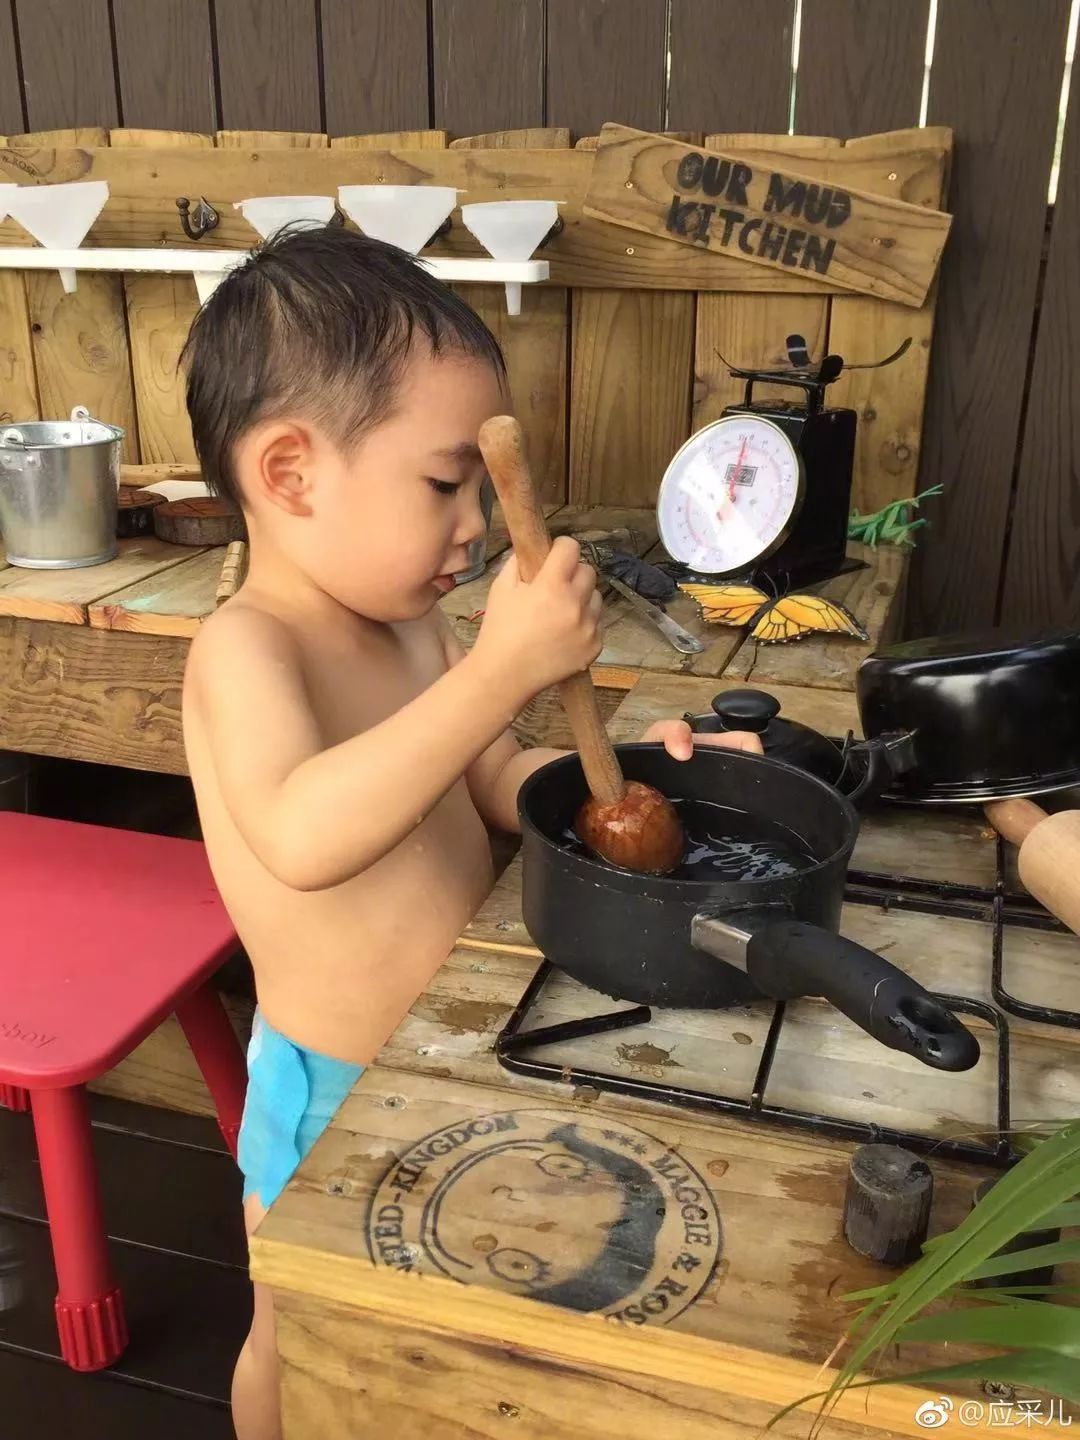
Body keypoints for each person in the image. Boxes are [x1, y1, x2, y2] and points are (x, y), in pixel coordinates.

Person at [180, 225, 760, 1440]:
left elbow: (492, 770)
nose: (477, 529)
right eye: (447, 484)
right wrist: (498, 670)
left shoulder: (406, 627)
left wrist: (640, 782)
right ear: (290, 474)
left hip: (450, 1058)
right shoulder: (250, 648)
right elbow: (300, 831)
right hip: (332, 1086)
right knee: (298, 1334)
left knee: (431, 1331)